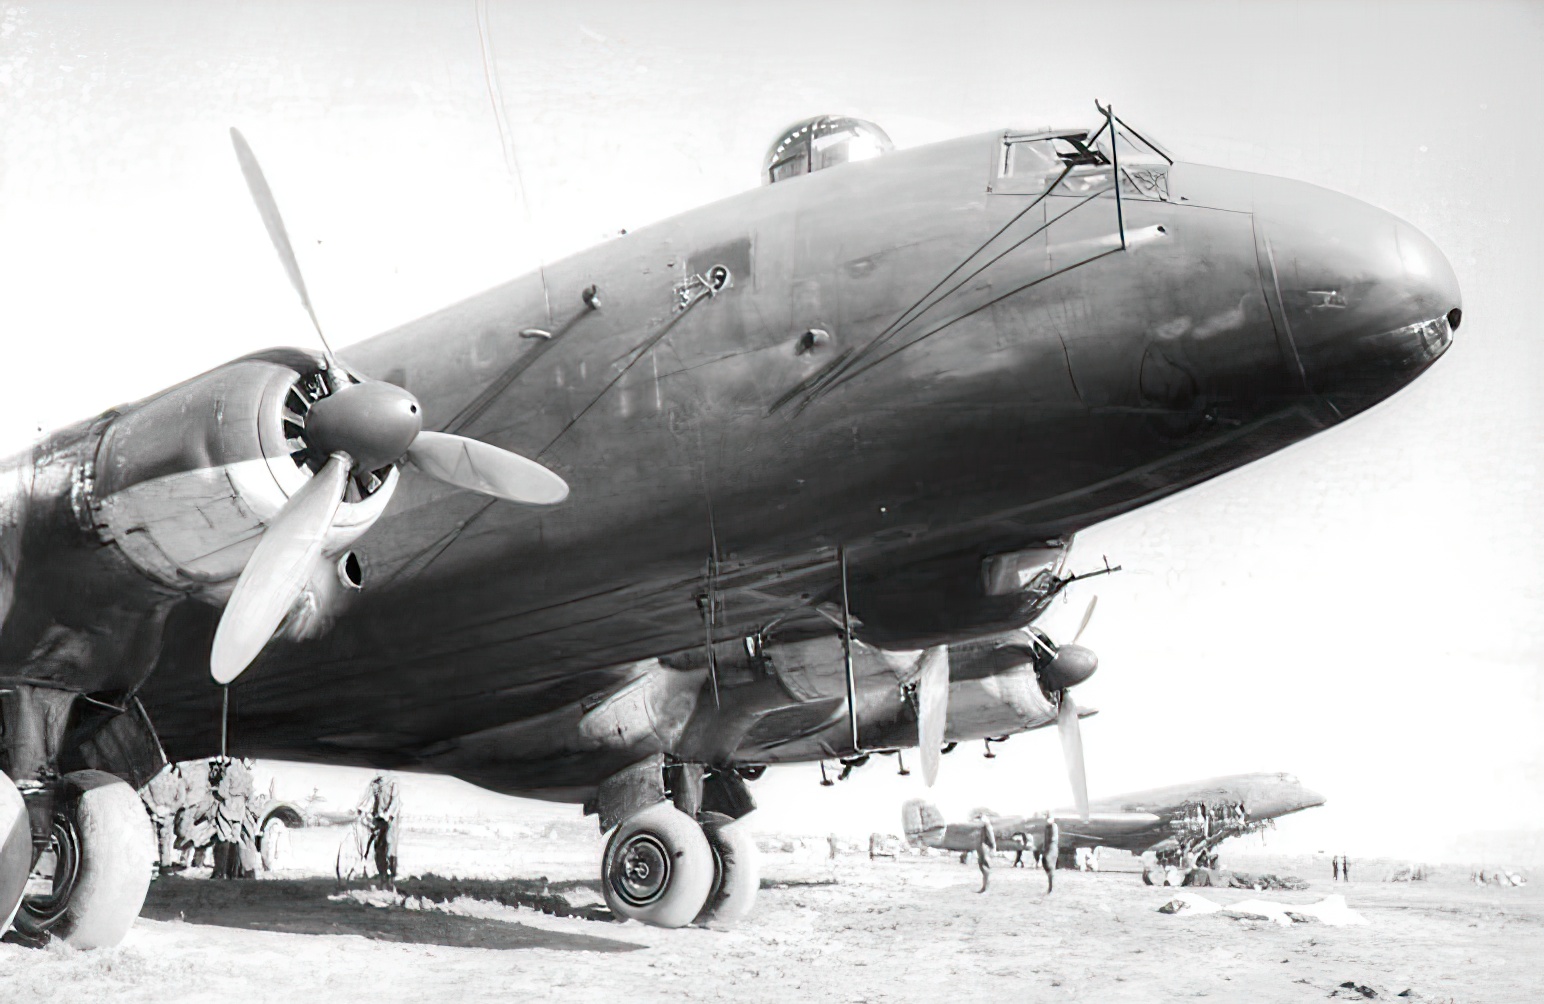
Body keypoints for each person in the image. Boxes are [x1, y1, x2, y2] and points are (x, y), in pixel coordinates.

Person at [140, 763, 186, 873]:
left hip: (159, 811)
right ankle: (165, 863)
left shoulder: (151, 778)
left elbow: (144, 792)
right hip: (168, 812)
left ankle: (163, 861)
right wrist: (171, 809)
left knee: (161, 837)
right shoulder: (177, 779)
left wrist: (155, 808)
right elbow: (181, 797)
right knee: (166, 837)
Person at [356, 773, 402, 883]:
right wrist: (362, 809)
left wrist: (386, 815)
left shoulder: (393, 782)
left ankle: (392, 876)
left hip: (390, 820)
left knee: (390, 845)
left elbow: (395, 803)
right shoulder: (375, 783)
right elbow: (368, 799)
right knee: (378, 847)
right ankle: (383, 874)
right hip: (377, 819)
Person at [974, 821, 997, 893]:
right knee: (982, 865)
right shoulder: (983, 825)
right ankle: (984, 886)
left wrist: (993, 845)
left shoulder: (986, 825)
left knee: (984, 866)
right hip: (981, 845)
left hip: (984, 845)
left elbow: (990, 836)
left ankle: (985, 886)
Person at [1041, 817, 1060, 894]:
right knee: (1046, 864)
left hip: (1052, 848)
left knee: (1050, 866)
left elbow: (1053, 838)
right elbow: (1046, 839)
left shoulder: (1053, 826)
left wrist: (1047, 848)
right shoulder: (1047, 827)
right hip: (1048, 848)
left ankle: (1051, 887)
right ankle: (1050, 886)